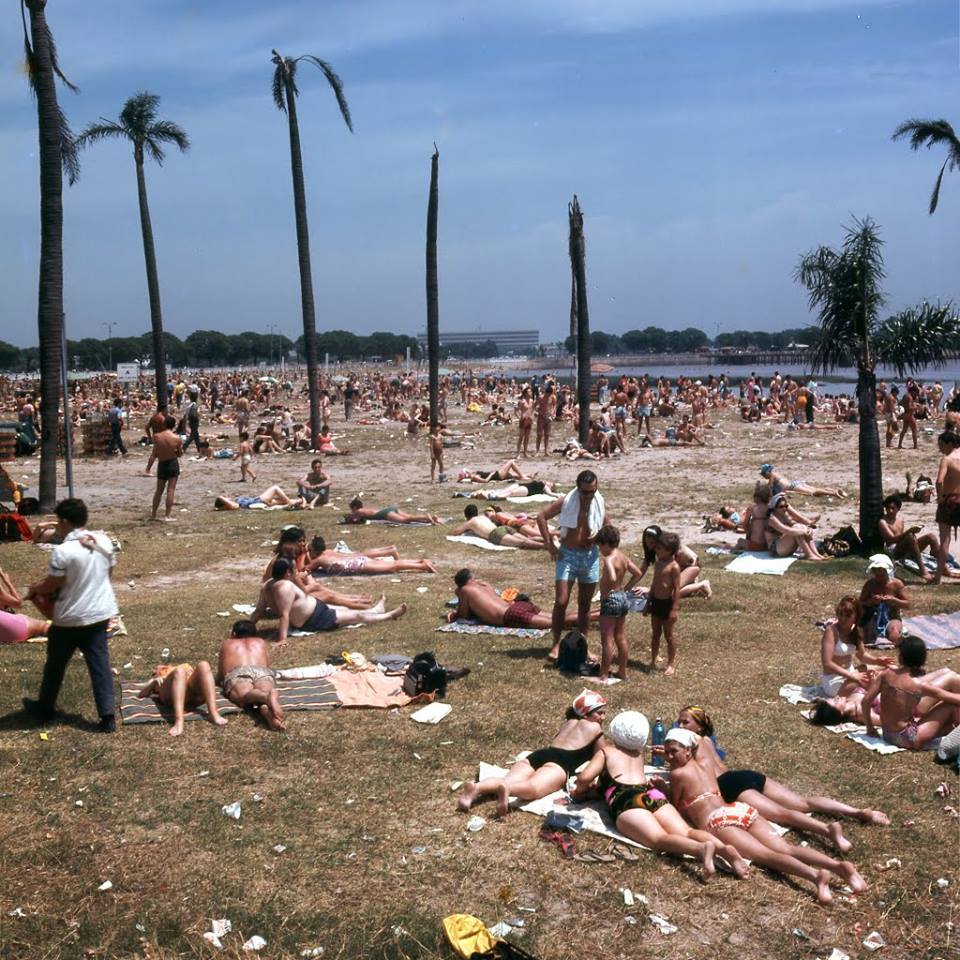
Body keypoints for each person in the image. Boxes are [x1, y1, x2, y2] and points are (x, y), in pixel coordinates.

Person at [664, 729, 866, 904]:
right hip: (738, 809)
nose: (669, 757)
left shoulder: (677, 775)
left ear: (687, 750)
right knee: (785, 848)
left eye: (673, 751)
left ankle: (815, 876)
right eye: (666, 752)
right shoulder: (706, 763)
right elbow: (698, 744)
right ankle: (837, 866)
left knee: (766, 855)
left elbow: (675, 805)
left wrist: (661, 787)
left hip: (717, 821)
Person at [667, 706, 889, 845]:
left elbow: (683, 770)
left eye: (685, 721)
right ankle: (857, 812)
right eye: (679, 721)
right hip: (743, 775)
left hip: (729, 786)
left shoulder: (688, 745)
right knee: (803, 803)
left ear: (699, 726)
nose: (680, 725)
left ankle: (827, 830)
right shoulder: (707, 740)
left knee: (782, 814)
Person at [573, 712, 749, 880]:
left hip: (627, 798)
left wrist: (578, 790)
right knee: (687, 831)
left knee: (658, 839)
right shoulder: (637, 754)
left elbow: (585, 778)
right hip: (651, 793)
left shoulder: (606, 752)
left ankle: (700, 849)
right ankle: (725, 850)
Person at [22, 499, 119, 732]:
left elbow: (52, 584)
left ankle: (45, 708)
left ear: (65, 522)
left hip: (70, 618)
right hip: (99, 613)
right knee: (99, 664)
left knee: (55, 665)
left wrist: (34, 588)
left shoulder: (63, 551)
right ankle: (107, 716)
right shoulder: (104, 541)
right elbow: (108, 572)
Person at [457, 690, 607, 816]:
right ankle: (509, 790)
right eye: (599, 713)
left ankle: (477, 788)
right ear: (586, 714)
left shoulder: (568, 722)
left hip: (541, 754)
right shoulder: (595, 728)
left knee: (506, 779)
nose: (603, 717)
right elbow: (603, 755)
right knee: (534, 787)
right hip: (561, 762)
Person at [251, 558, 407, 648]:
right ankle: (389, 615)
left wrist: (248, 628)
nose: (297, 572)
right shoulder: (284, 586)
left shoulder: (267, 585)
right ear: (287, 572)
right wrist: (282, 639)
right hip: (317, 618)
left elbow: (258, 611)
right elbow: (284, 615)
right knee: (357, 616)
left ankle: (376, 610)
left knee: (345, 608)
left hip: (317, 610)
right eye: (294, 570)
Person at [537, 470, 606, 662]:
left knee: (585, 604)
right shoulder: (567, 501)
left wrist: (597, 536)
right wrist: (549, 545)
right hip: (567, 555)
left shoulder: (599, 502)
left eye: (592, 491)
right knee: (561, 601)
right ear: (578, 488)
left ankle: (582, 646)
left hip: (590, 557)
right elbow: (541, 517)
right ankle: (556, 643)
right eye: (585, 492)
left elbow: (607, 527)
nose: (589, 496)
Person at [862, 636, 960, 749]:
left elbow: (865, 701)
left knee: (949, 725)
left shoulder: (886, 674)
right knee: (952, 705)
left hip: (887, 734)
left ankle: (954, 732)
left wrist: (870, 727)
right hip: (907, 739)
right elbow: (954, 699)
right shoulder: (919, 685)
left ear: (901, 657)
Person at [448, 568, 594, 629]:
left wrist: (455, 613)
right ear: (471, 578)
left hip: (510, 614)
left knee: (555, 622)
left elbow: (464, 615)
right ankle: (597, 613)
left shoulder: (463, 590)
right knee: (557, 616)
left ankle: (598, 616)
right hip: (518, 605)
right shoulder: (484, 585)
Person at [819, 596, 894, 697]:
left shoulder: (856, 631)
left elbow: (862, 655)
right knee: (868, 682)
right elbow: (827, 664)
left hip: (852, 673)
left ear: (856, 616)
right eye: (840, 614)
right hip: (834, 680)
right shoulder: (831, 632)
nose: (842, 619)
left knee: (889, 669)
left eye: (847, 616)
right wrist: (852, 676)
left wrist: (877, 661)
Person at [595, 525, 643, 681]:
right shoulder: (623, 557)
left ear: (606, 544)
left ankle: (603, 674)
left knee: (607, 639)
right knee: (620, 637)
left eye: (600, 546)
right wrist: (626, 588)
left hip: (611, 600)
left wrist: (608, 587)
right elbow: (638, 573)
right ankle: (622, 671)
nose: (600, 550)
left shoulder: (609, 558)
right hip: (622, 598)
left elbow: (612, 577)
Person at [217, 620, 284, 731]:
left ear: (234, 634)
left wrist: (219, 681)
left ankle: (265, 697)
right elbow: (268, 666)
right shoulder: (261, 642)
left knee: (244, 695)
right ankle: (269, 713)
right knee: (264, 690)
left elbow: (223, 672)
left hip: (240, 672)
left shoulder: (228, 644)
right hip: (262, 671)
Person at [137, 660, 227, 737]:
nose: (157, 668)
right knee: (179, 671)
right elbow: (141, 694)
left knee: (204, 664)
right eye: (155, 669)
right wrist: (154, 682)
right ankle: (179, 721)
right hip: (171, 697)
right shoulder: (158, 677)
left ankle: (213, 713)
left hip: (193, 694)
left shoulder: (180, 667)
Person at [878, 494, 939, 581]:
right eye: (888, 508)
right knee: (910, 536)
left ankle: (942, 567)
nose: (890, 511)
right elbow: (892, 539)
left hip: (903, 547)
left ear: (898, 509)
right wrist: (909, 531)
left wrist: (913, 531)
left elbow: (902, 537)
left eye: (893, 508)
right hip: (894, 550)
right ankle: (923, 572)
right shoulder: (883, 522)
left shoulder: (900, 519)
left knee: (931, 537)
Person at [305, 536, 437, 575]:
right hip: (358, 560)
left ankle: (422, 566)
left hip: (358, 565)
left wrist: (305, 554)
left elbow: (305, 569)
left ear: (315, 551)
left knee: (392, 566)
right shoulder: (328, 552)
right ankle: (419, 561)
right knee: (391, 565)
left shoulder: (319, 559)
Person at [646, 530, 681, 675]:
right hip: (656, 602)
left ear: (670, 551)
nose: (657, 551)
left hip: (667, 604)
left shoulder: (674, 567)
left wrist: (674, 609)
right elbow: (654, 584)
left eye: (660, 549)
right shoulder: (658, 564)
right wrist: (648, 602)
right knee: (655, 634)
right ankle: (653, 660)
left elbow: (677, 588)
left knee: (669, 635)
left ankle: (670, 663)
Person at [859, 554, 910, 646]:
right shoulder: (870, 584)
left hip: (892, 617)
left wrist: (894, 600)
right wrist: (871, 601)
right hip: (872, 616)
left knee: (894, 634)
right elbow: (859, 604)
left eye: (882, 575)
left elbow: (908, 605)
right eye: (877, 575)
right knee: (866, 637)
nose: (879, 578)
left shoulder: (897, 584)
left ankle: (899, 637)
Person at [766, 493, 829, 561]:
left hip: (784, 546)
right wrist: (803, 531)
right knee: (797, 530)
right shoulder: (771, 519)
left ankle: (816, 554)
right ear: (774, 508)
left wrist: (807, 528)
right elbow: (786, 530)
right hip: (775, 549)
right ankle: (809, 555)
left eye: (786, 506)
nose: (784, 508)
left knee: (800, 527)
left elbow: (795, 524)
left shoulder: (784, 515)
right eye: (781, 507)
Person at [451, 505, 547, 549]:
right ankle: (548, 539)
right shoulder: (482, 517)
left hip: (496, 534)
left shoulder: (470, 522)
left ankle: (546, 546)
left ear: (467, 516)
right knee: (527, 539)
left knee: (522, 543)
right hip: (503, 528)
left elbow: (456, 532)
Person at [146, 414, 183, 522]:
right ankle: (167, 516)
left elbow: (156, 452)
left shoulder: (157, 436)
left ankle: (153, 514)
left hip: (162, 464)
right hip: (172, 463)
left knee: (159, 491)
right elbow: (180, 453)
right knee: (170, 490)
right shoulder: (176, 438)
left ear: (164, 424)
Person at [934, 430, 960, 584]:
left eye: (941, 445)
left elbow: (939, 481)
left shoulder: (947, 459)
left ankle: (937, 577)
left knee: (945, 539)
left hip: (949, 500)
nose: (940, 449)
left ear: (950, 443)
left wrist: (940, 497)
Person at [0, 565, 49, 644]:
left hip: (3, 635)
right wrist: (6, 580)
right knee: (43, 626)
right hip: (15, 629)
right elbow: (17, 603)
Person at [760, 463, 847, 499]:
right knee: (815, 489)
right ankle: (835, 490)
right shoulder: (776, 474)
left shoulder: (772, 476)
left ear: (767, 472)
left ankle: (833, 493)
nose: (763, 476)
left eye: (763, 474)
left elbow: (770, 489)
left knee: (813, 492)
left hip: (793, 486)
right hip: (795, 483)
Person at [344, 498, 442, 525]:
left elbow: (355, 521)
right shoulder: (363, 509)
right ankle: (430, 518)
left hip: (385, 514)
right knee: (409, 516)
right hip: (389, 509)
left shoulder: (358, 511)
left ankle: (426, 516)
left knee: (405, 520)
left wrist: (348, 519)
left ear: (354, 507)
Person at [213, 484, 304, 510]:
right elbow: (219, 497)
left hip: (258, 502)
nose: (226, 497)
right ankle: (290, 503)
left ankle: (303, 502)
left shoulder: (233, 503)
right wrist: (222, 499)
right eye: (225, 498)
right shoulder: (233, 505)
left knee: (282, 501)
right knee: (275, 488)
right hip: (258, 501)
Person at [457, 460, 532, 484]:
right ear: (467, 473)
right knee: (511, 462)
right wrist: (491, 474)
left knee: (512, 474)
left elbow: (460, 479)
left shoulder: (474, 475)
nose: (469, 470)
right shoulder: (475, 477)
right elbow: (485, 481)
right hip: (497, 475)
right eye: (467, 470)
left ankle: (528, 475)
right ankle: (522, 476)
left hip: (497, 475)